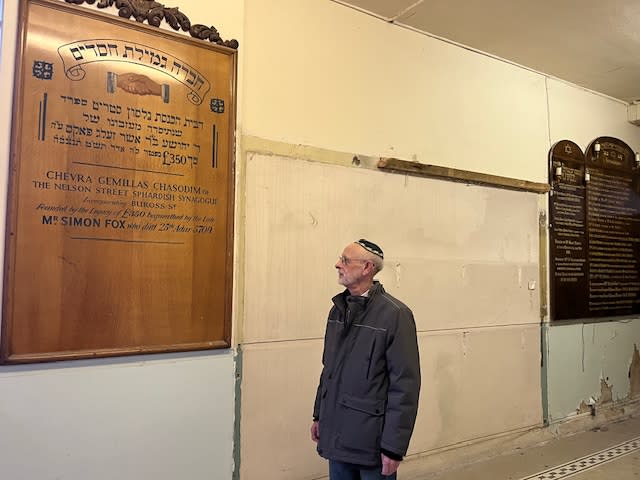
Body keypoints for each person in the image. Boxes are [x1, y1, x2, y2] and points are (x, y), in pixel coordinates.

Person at [311, 239, 421, 480]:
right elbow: (328, 369)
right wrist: (319, 415)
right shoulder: (338, 311)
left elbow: (405, 387)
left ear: (367, 268)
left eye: (345, 260)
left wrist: (394, 447)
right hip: (337, 438)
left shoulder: (395, 315)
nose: (337, 265)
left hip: (371, 444)